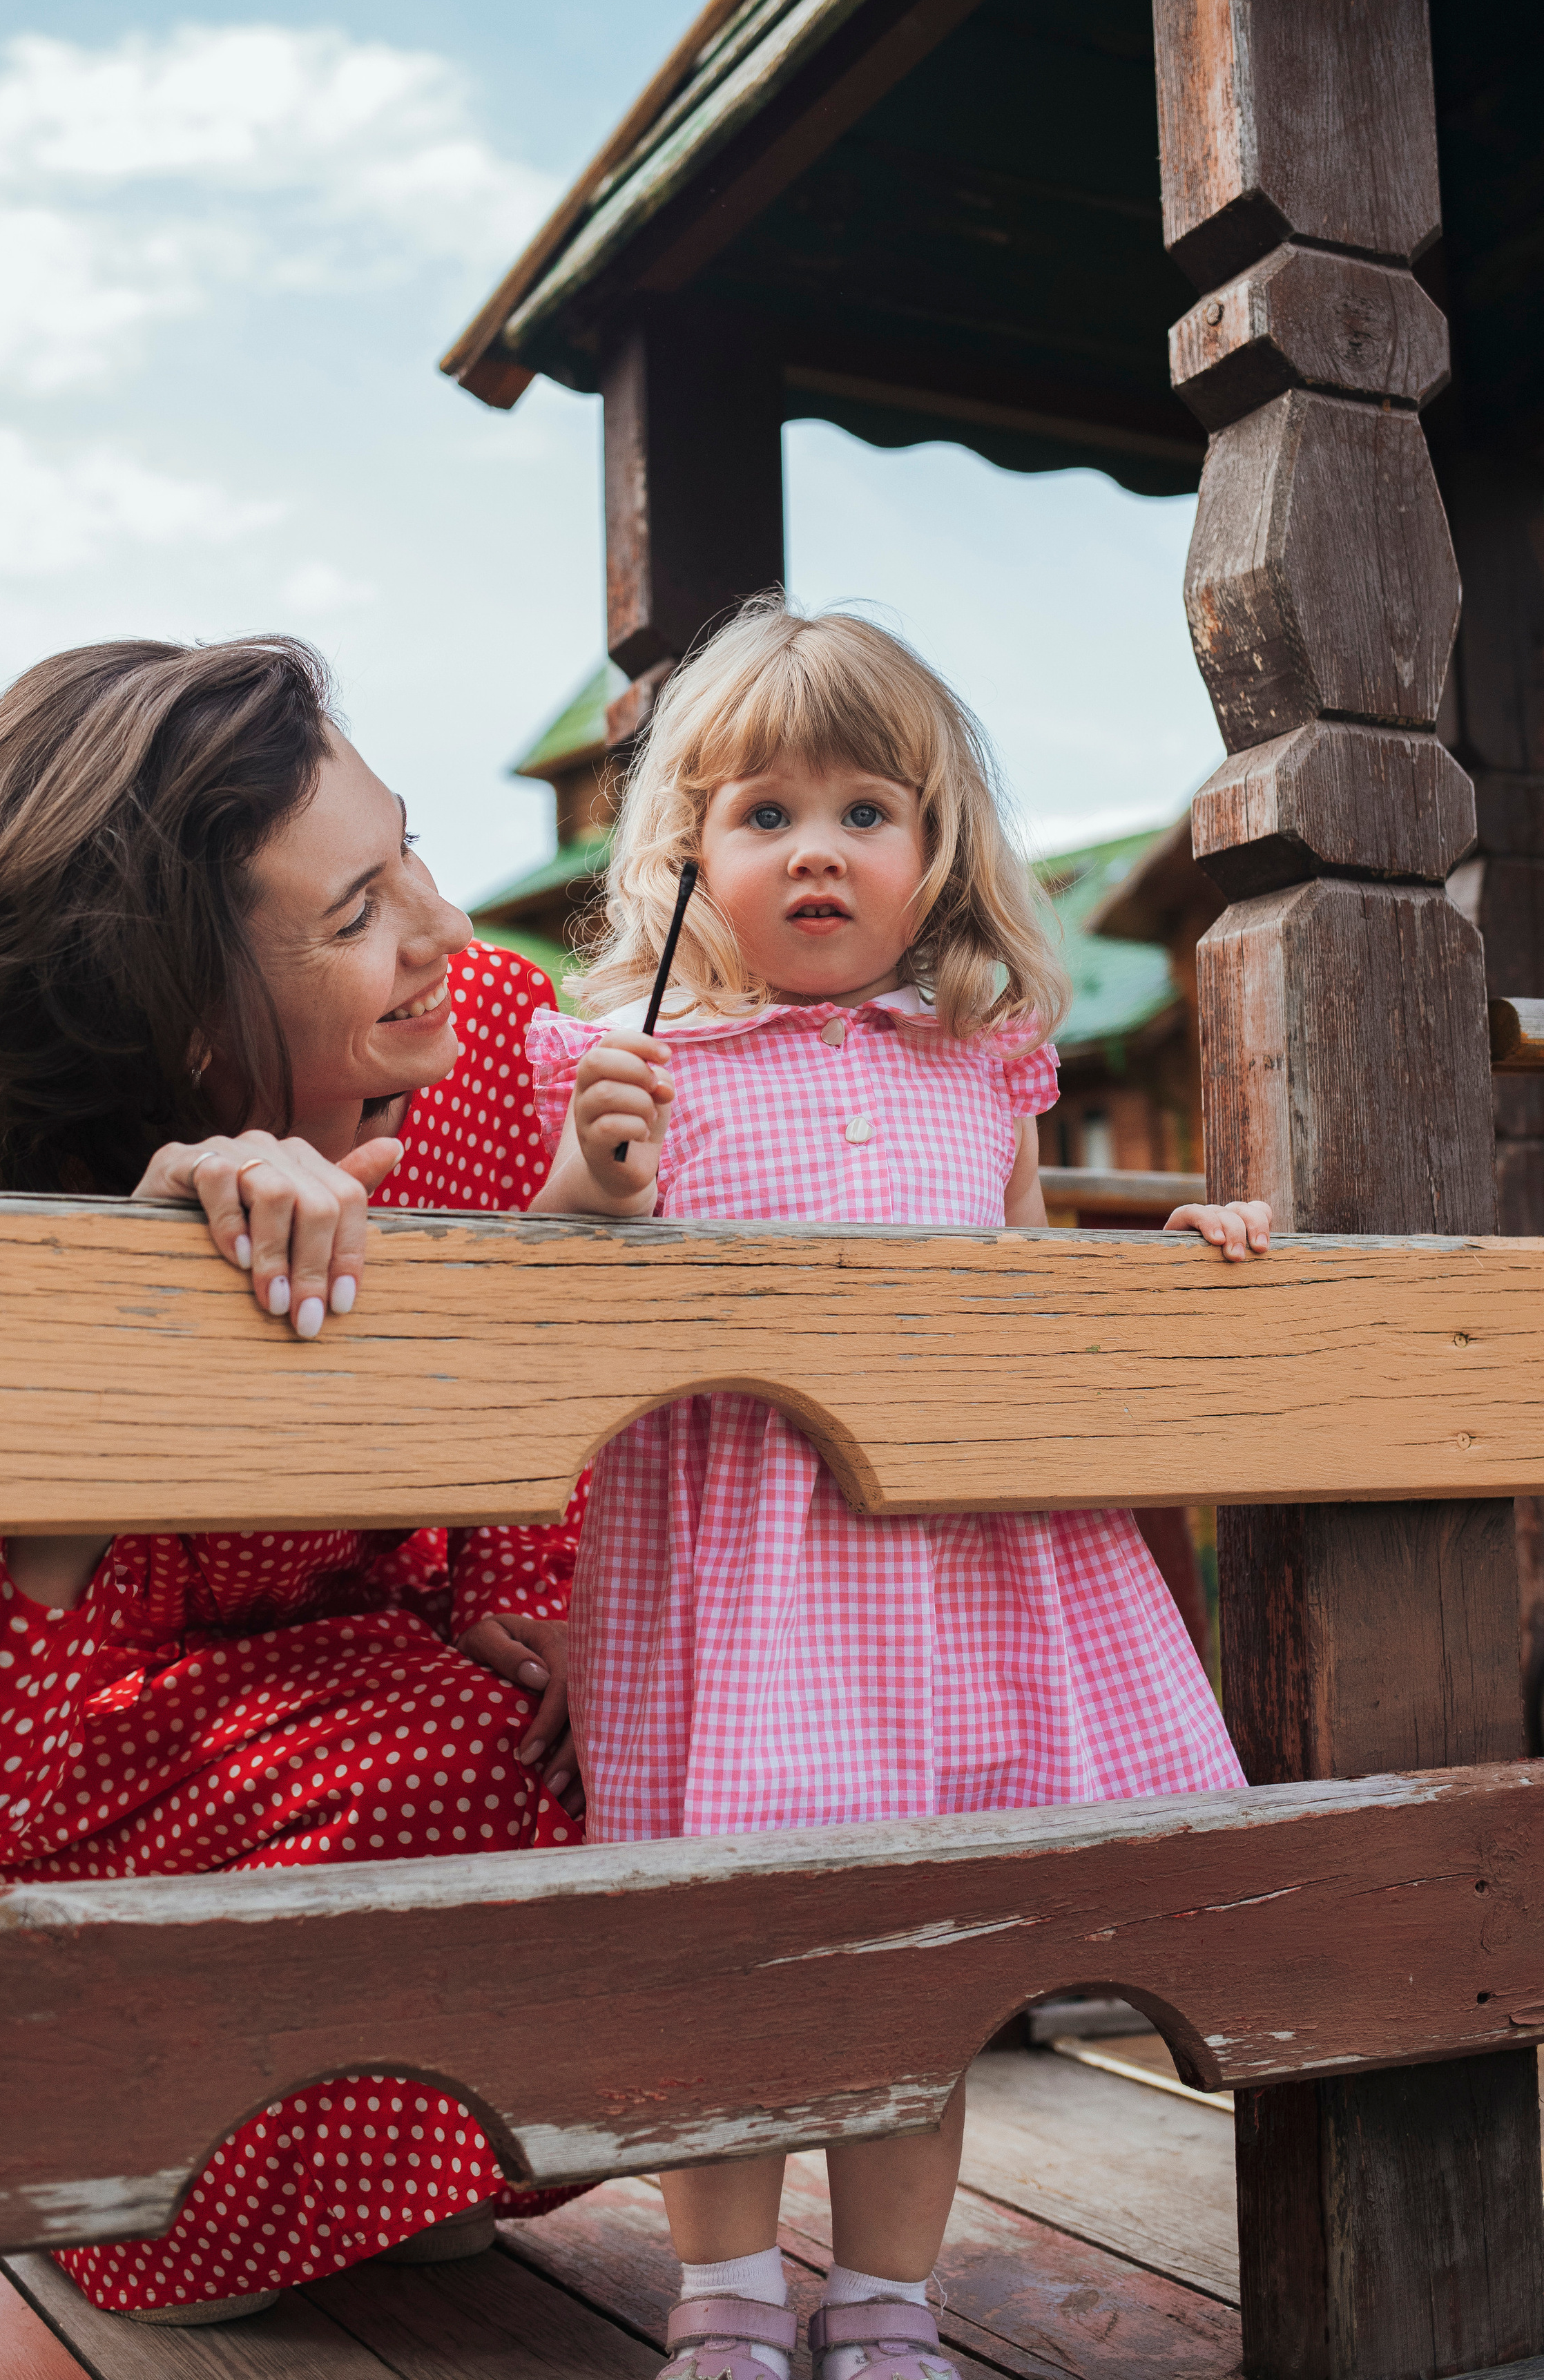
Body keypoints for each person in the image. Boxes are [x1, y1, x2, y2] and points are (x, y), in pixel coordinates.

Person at [526, 601, 1269, 2380]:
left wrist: (1168, 1255)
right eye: (763, 814)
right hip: (729, 1566)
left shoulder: (976, 1061)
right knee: (728, 1950)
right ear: (687, 852)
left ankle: (882, 2295)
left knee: (911, 1956)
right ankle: (717, 2290)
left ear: (933, 853)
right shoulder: (639, 1067)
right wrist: (591, 1190)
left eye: (867, 811)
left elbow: (1020, 1287)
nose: (816, 851)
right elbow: (544, 1308)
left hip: (936, 1568)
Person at [0, 635, 585, 2326]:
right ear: (190, 1035)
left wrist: (536, 1606)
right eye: (354, 917)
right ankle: (175, 2200)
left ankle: (394, 2157)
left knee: (658, 1743)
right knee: (442, 1775)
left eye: (408, 845)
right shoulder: (13, 1206)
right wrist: (149, 1334)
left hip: (381, 1655)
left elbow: (549, 1361)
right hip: (123, 1770)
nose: (439, 927)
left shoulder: (481, 1036)